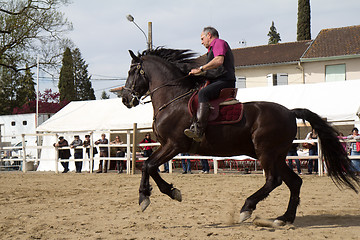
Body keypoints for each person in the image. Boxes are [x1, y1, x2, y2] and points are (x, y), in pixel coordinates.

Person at [184, 26, 236, 142]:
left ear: (209, 35)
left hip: (225, 81)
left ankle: (199, 130)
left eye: (202, 38)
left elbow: (219, 61)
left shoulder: (218, 43)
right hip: (218, 80)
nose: (201, 42)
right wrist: (197, 73)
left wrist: (201, 69)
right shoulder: (211, 50)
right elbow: (212, 70)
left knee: (203, 93)